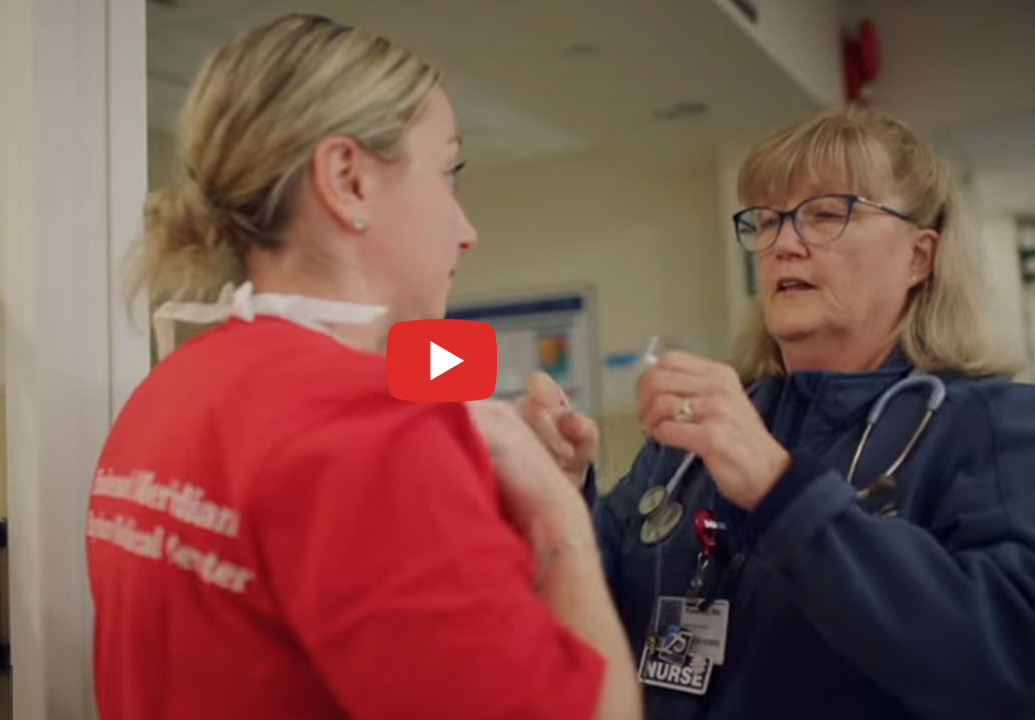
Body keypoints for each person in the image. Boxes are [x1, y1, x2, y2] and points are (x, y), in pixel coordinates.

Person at [85, 14, 639, 720]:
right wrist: (557, 517)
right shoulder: (381, 424)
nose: (467, 232)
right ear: (348, 179)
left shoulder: (168, 389)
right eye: (448, 174)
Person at [523, 104, 1035, 718]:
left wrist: (781, 489)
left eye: (825, 214)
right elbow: (606, 609)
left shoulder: (995, 425)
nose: (784, 244)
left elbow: (1025, 658)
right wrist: (564, 489)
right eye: (766, 220)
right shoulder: (704, 430)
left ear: (919, 257)